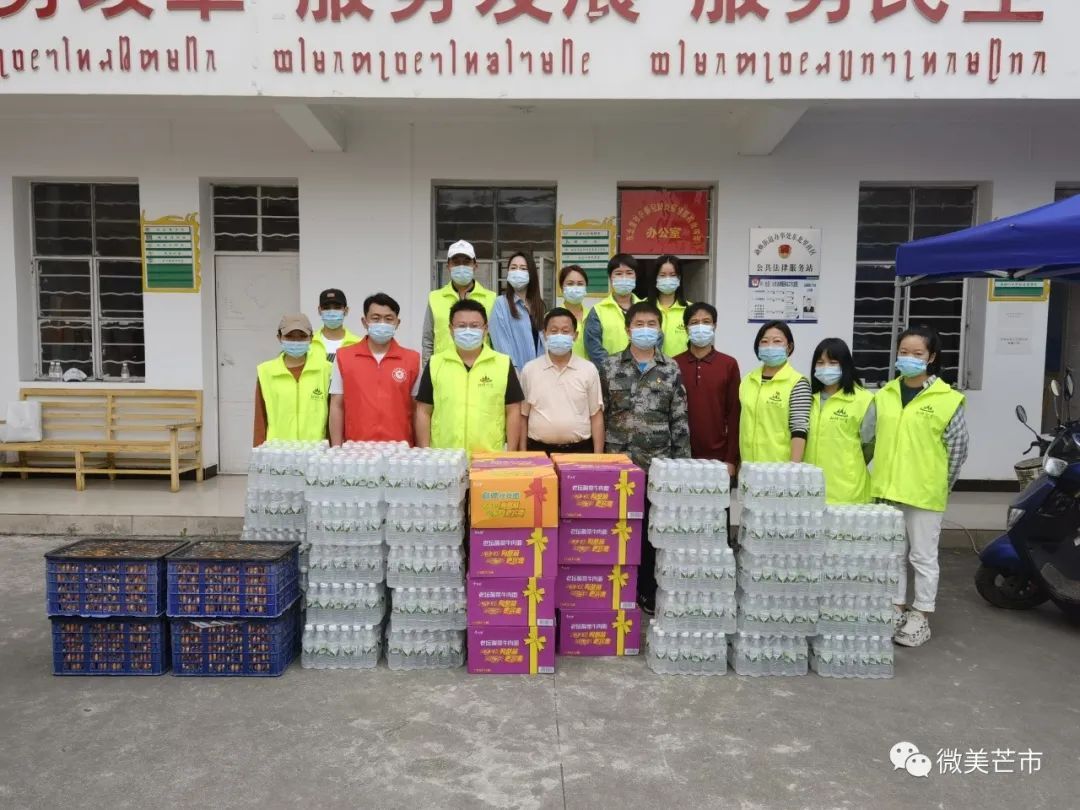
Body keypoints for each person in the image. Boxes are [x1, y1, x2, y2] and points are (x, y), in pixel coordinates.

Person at [872, 326, 968, 648]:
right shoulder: (885, 394)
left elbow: (958, 449)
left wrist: (941, 485)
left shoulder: (947, 399)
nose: (909, 358)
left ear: (931, 357)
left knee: (923, 557)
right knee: (893, 555)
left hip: (924, 493)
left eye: (917, 354)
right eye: (904, 352)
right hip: (887, 489)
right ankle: (895, 607)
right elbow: (872, 439)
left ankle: (921, 615)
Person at [602, 300, 691, 614]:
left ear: (660, 329)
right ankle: (617, 590)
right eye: (639, 324)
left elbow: (679, 419)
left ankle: (647, 591)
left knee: (653, 531)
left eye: (651, 324)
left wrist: (681, 466)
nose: (645, 330)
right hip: (617, 464)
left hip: (658, 465)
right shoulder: (610, 366)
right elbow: (600, 414)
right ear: (628, 329)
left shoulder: (670, 368)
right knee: (619, 530)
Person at [414, 298, 524, 454]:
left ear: (485, 329)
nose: (468, 331)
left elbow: (513, 411)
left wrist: (510, 454)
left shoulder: (503, 364)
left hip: (489, 458)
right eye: (461, 326)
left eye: (474, 326)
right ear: (451, 329)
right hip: (445, 457)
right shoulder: (435, 364)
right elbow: (423, 411)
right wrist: (426, 453)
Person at [329, 293, 421, 446]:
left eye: (389, 319)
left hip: (400, 450)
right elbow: (337, 406)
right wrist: (336, 448)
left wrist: (421, 451)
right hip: (356, 449)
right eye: (375, 318)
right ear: (364, 322)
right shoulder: (344, 357)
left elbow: (418, 410)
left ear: (397, 323)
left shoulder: (412, 360)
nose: (382, 323)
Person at [519, 307, 605, 454]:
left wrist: (598, 456)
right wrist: (522, 452)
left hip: (580, 451)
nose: (559, 335)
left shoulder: (588, 369)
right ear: (545, 334)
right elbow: (523, 415)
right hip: (538, 451)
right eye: (554, 331)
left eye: (565, 331)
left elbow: (596, 415)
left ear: (575, 335)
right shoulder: (530, 370)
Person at [804, 338, 875, 505]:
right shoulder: (807, 398)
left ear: (845, 365)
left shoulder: (863, 399)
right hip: (810, 490)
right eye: (820, 363)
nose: (825, 367)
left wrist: (848, 462)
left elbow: (869, 445)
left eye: (833, 362)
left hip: (848, 491)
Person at [673, 303, 741, 477]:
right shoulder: (673, 364)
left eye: (706, 321)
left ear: (714, 326)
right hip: (680, 456)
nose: (700, 326)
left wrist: (731, 459)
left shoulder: (728, 364)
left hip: (718, 458)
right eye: (694, 322)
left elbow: (734, 414)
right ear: (686, 328)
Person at [252, 313, 330, 446]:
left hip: (316, 453)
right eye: (289, 336)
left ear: (311, 338)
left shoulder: (326, 370)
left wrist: (333, 451)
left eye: (302, 337)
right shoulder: (266, 372)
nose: (296, 342)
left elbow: (333, 418)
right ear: (279, 337)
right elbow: (260, 420)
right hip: (279, 452)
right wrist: (259, 452)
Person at [739, 320, 811, 463]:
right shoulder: (748, 380)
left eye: (777, 341)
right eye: (764, 341)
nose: (770, 346)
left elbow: (799, 429)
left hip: (779, 469)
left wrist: (793, 468)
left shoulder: (797, 382)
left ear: (789, 347)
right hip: (749, 466)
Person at [422, 240, 497, 366]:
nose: (461, 266)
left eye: (466, 262)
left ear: (475, 265)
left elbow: (496, 341)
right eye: (456, 262)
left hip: (481, 368)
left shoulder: (492, 298)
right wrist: (427, 370)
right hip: (443, 367)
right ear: (448, 266)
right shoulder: (435, 298)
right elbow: (428, 340)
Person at [489, 252, 545, 372]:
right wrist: (514, 373)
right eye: (513, 268)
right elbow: (502, 344)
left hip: (538, 374)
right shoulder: (501, 304)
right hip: (515, 373)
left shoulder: (538, 305)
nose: (517, 272)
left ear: (531, 273)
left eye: (523, 268)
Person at [584, 253, 641, 369]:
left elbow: (657, 340)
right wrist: (616, 371)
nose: (624, 278)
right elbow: (594, 349)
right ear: (610, 278)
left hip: (643, 373)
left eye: (629, 273)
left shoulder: (646, 308)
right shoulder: (598, 310)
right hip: (610, 375)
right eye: (618, 273)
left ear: (636, 276)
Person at [649, 254, 691, 358]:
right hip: (648, 367)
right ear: (655, 278)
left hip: (680, 367)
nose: (668, 279)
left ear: (679, 278)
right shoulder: (642, 308)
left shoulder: (690, 310)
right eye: (662, 275)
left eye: (672, 275)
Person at [311, 288, 361, 363]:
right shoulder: (309, 342)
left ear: (346, 310)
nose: (332, 312)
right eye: (326, 308)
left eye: (337, 307)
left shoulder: (358, 343)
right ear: (319, 310)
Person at [558, 264, 591, 360]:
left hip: (591, 368)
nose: (575, 288)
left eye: (580, 284)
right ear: (562, 288)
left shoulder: (594, 315)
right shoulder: (552, 318)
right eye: (570, 283)